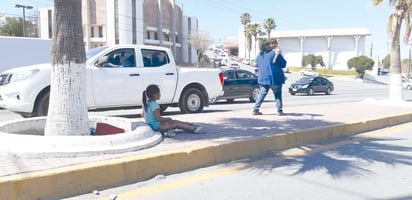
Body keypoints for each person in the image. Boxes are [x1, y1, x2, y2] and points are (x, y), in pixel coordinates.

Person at [252, 39, 286, 116]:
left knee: (261, 94)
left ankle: (255, 109)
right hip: (275, 78)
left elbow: (257, 65)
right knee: (277, 95)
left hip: (263, 78)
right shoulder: (275, 53)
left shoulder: (260, 55)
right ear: (269, 45)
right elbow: (283, 64)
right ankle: (279, 110)